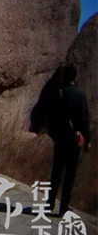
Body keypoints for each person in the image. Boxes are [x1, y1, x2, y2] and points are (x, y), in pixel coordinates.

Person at [43, 64, 91, 216]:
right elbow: (84, 120)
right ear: (75, 77)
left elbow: (50, 115)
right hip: (74, 140)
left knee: (56, 171)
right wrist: (87, 140)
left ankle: (50, 203)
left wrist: (53, 133)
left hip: (60, 138)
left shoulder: (57, 93)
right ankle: (63, 206)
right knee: (70, 174)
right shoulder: (80, 95)